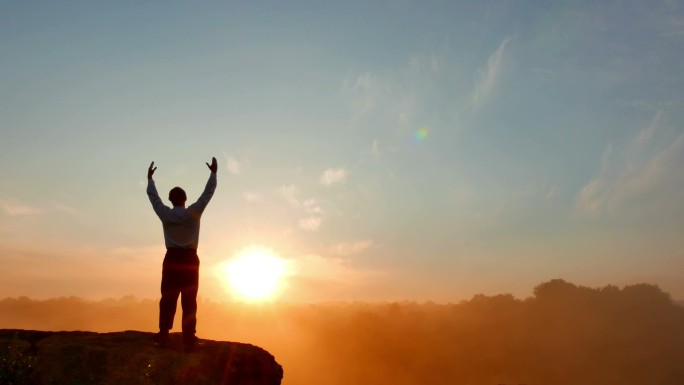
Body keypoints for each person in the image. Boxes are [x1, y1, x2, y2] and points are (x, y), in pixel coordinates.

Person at [146, 157, 217, 352]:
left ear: (171, 200)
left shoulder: (166, 214)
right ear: (185, 199)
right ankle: (188, 339)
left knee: (168, 297)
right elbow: (207, 195)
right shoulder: (193, 213)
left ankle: (163, 334)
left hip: (171, 259)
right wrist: (213, 174)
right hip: (190, 260)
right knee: (189, 300)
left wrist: (150, 180)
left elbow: (154, 199)